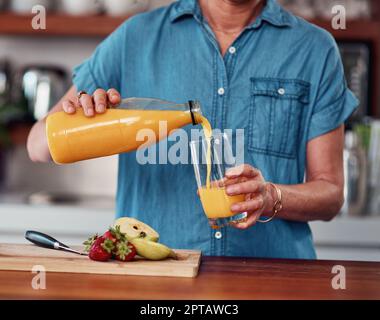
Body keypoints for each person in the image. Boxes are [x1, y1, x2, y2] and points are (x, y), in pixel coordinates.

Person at [27, 0, 358, 259]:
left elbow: (330, 194)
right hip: (154, 282)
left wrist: (273, 196)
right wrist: (86, 117)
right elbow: (38, 146)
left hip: (272, 277)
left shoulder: (314, 49)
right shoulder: (135, 38)